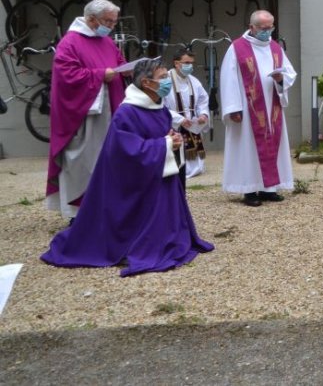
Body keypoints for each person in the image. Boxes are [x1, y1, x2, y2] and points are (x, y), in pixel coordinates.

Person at [41, 58, 213, 276]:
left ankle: (169, 238)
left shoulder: (158, 107)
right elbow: (128, 152)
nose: (167, 81)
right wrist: (166, 144)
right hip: (135, 182)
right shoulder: (127, 113)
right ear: (146, 83)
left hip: (158, 175)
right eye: (162, 78)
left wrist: (172, 139)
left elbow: (161, 136)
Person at [45, 0, 126, 221]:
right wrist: (101, 75)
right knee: (84, 163)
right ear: (91, 19)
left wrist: (127, 70)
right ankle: (79, 214)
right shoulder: (70, 43)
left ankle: (106, 210)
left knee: (110, 162)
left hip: (111, 111)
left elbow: (118, 62)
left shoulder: (107, 41)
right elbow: (66, 76)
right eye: (107, 22)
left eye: (113, 23)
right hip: (84, 117)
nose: (110, 27)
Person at [219, 10, 296, 207]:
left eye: (271, 27)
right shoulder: (237, 48)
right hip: (248, 107)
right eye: (264, 28)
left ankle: (269, 188)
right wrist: (233, 107)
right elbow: (228, 79)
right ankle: (249, 189)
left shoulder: (276, 48)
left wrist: (281, 80)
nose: (268, 31)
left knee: (272, 146)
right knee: (248, 149)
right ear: (252, 27)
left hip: (272, 107)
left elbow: (289, 73)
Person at [165, 45, 211, 178]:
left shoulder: (194, 81)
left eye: (192, 63)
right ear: (176, 63)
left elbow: (203, 100)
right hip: (174, 123)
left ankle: (196, 167)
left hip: (192, 123)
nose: (190, 66)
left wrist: (203, 114)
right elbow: (161, 105)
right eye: (186, 63)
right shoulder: (166, 80)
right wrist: (179, 120)